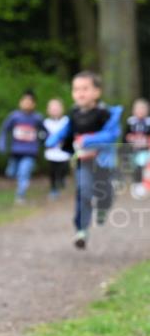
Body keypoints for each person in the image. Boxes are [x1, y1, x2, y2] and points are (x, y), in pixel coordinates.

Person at [45, 71, 122, 249]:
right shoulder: (74, 114)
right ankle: (81, 230)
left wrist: (88, 139)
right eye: (76, 89)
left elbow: (111, 134)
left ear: (97, 92)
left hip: (104, 162)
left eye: (85, 89)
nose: (80, 93)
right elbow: (65, 129)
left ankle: (103, 208)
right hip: (84, 161)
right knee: (83, 192)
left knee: (105, 194)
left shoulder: (106, 113)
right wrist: (53, 139)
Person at [0, 89, 44, 204]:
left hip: (30, 152)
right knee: (12, 173)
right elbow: (4, 130)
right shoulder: (14, 116)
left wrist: (43, 140)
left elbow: (45, 132)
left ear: (34, 104)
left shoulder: (37, 118)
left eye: (30, 102)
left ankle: (20, 196)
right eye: (25, 101)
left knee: (24, 173)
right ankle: (21, 183)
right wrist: (2, 143)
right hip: (15, 152)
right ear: (20, 102)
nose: (27, 104)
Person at [43, 98, 71, 200]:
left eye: (57, 108)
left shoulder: (66, 121)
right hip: (51, 152)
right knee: (52, 171)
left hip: (63, 152)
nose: (55, 110)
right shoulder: (45, 123)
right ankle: (53, 188)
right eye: (52, 108)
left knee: (62, 168)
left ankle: (62, 179)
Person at [126, 98, 149, 198]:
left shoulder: (148, 122)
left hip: (144, 150)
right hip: (133, 150)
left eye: (143, 109)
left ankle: (142, 185)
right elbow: (125, 136)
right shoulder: (130, 122)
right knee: (135, 168)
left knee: (143, 166)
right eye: (138, 109)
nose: (140, 111)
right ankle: (136, 184)